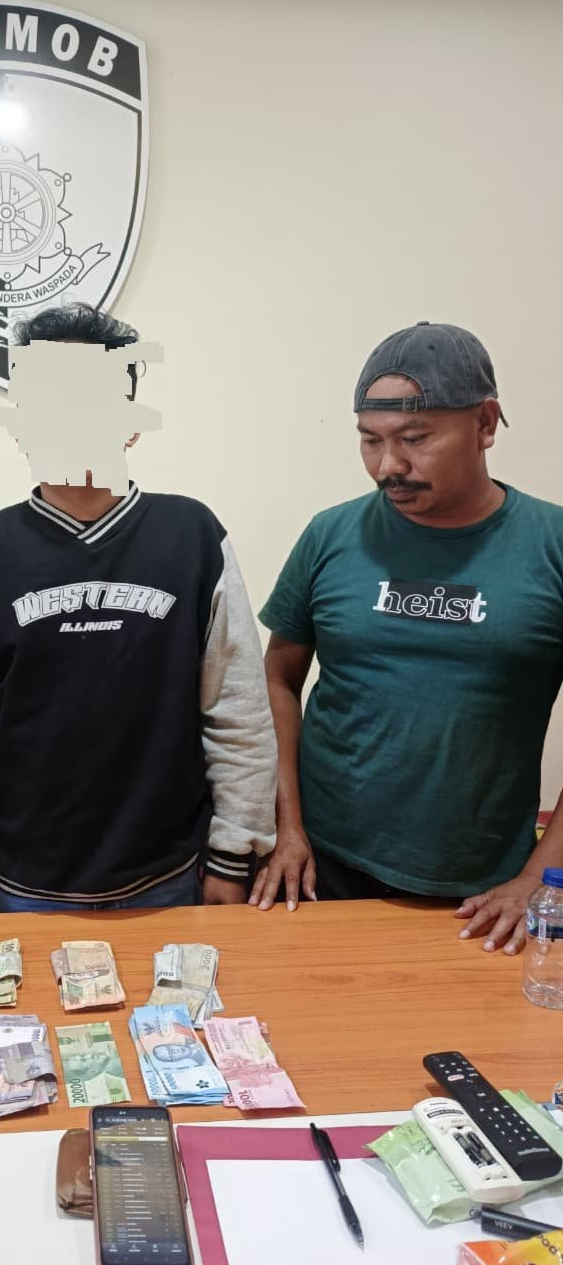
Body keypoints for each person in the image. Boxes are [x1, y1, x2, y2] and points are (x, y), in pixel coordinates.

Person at [0, 303, 277, 914]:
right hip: (25, 881)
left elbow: (237, 711)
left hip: (174, 871)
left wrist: (235, 854)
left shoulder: (193, 536)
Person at [254, 321, 563, 954]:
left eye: (415, 439)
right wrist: (288, 828)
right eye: (370, 440)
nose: (389, 466)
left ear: (485, 423)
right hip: (320, 869)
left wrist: (541, 877)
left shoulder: (552, 546)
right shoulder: (330, 534)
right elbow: (278, 679)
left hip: (485, 890)